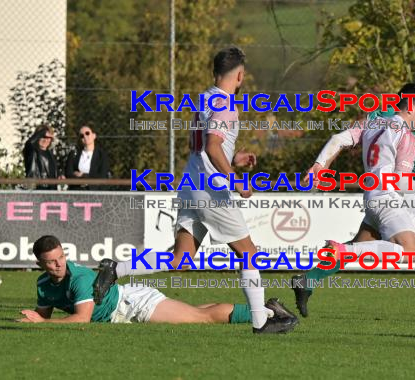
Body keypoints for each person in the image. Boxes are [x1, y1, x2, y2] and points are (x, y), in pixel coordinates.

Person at [93, 47, 297, 334]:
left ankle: (115, 269)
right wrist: (235, 178)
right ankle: (260, 321)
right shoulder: (226, 105)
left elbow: (200, 147)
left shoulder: (203, 99)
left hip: (191, 184)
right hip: (212, 191)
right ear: (239, 75)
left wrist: (233, 157)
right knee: (249, 254)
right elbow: (212, 146)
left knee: (182, 258)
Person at [295, 66, 415, 316]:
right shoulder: (393, 120)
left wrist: (320, 165)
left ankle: (309, 279)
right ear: (414, 96)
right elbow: (397, 179)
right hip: (398, 191)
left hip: (387, 191)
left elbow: (340, 138)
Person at [18, 235, 297, 326]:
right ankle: (265, 308)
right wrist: (34, 318)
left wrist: (43, 324)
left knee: (203, 318)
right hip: (125, 304)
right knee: (199, 311)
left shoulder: (76, 276)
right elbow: (42, 312)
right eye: (51, 262)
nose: (59, 264)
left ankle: (271, 313)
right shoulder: (43, 283)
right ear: (39, 264)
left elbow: (81, 319)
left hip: (131, 305)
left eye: (61, 257)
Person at [65, 124, 110, 190]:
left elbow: (102, 175)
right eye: (82, 136)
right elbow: (69, 173)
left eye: (87, 133)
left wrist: (83, 176)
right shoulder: (74, 154)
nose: (85, 137)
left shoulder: (102, 155)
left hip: (95, 192)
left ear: (94, 136)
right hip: (77, 191)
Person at [23, 125, 63, 190]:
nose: (46, 140)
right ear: (37, 137)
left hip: (52, 190)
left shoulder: (50, 153)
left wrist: (60, 175)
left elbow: (53, 172)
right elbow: (29, 142)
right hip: (37, 189)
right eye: (43, 137)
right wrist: (43, 131)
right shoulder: (32, 151)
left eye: (48, 138)